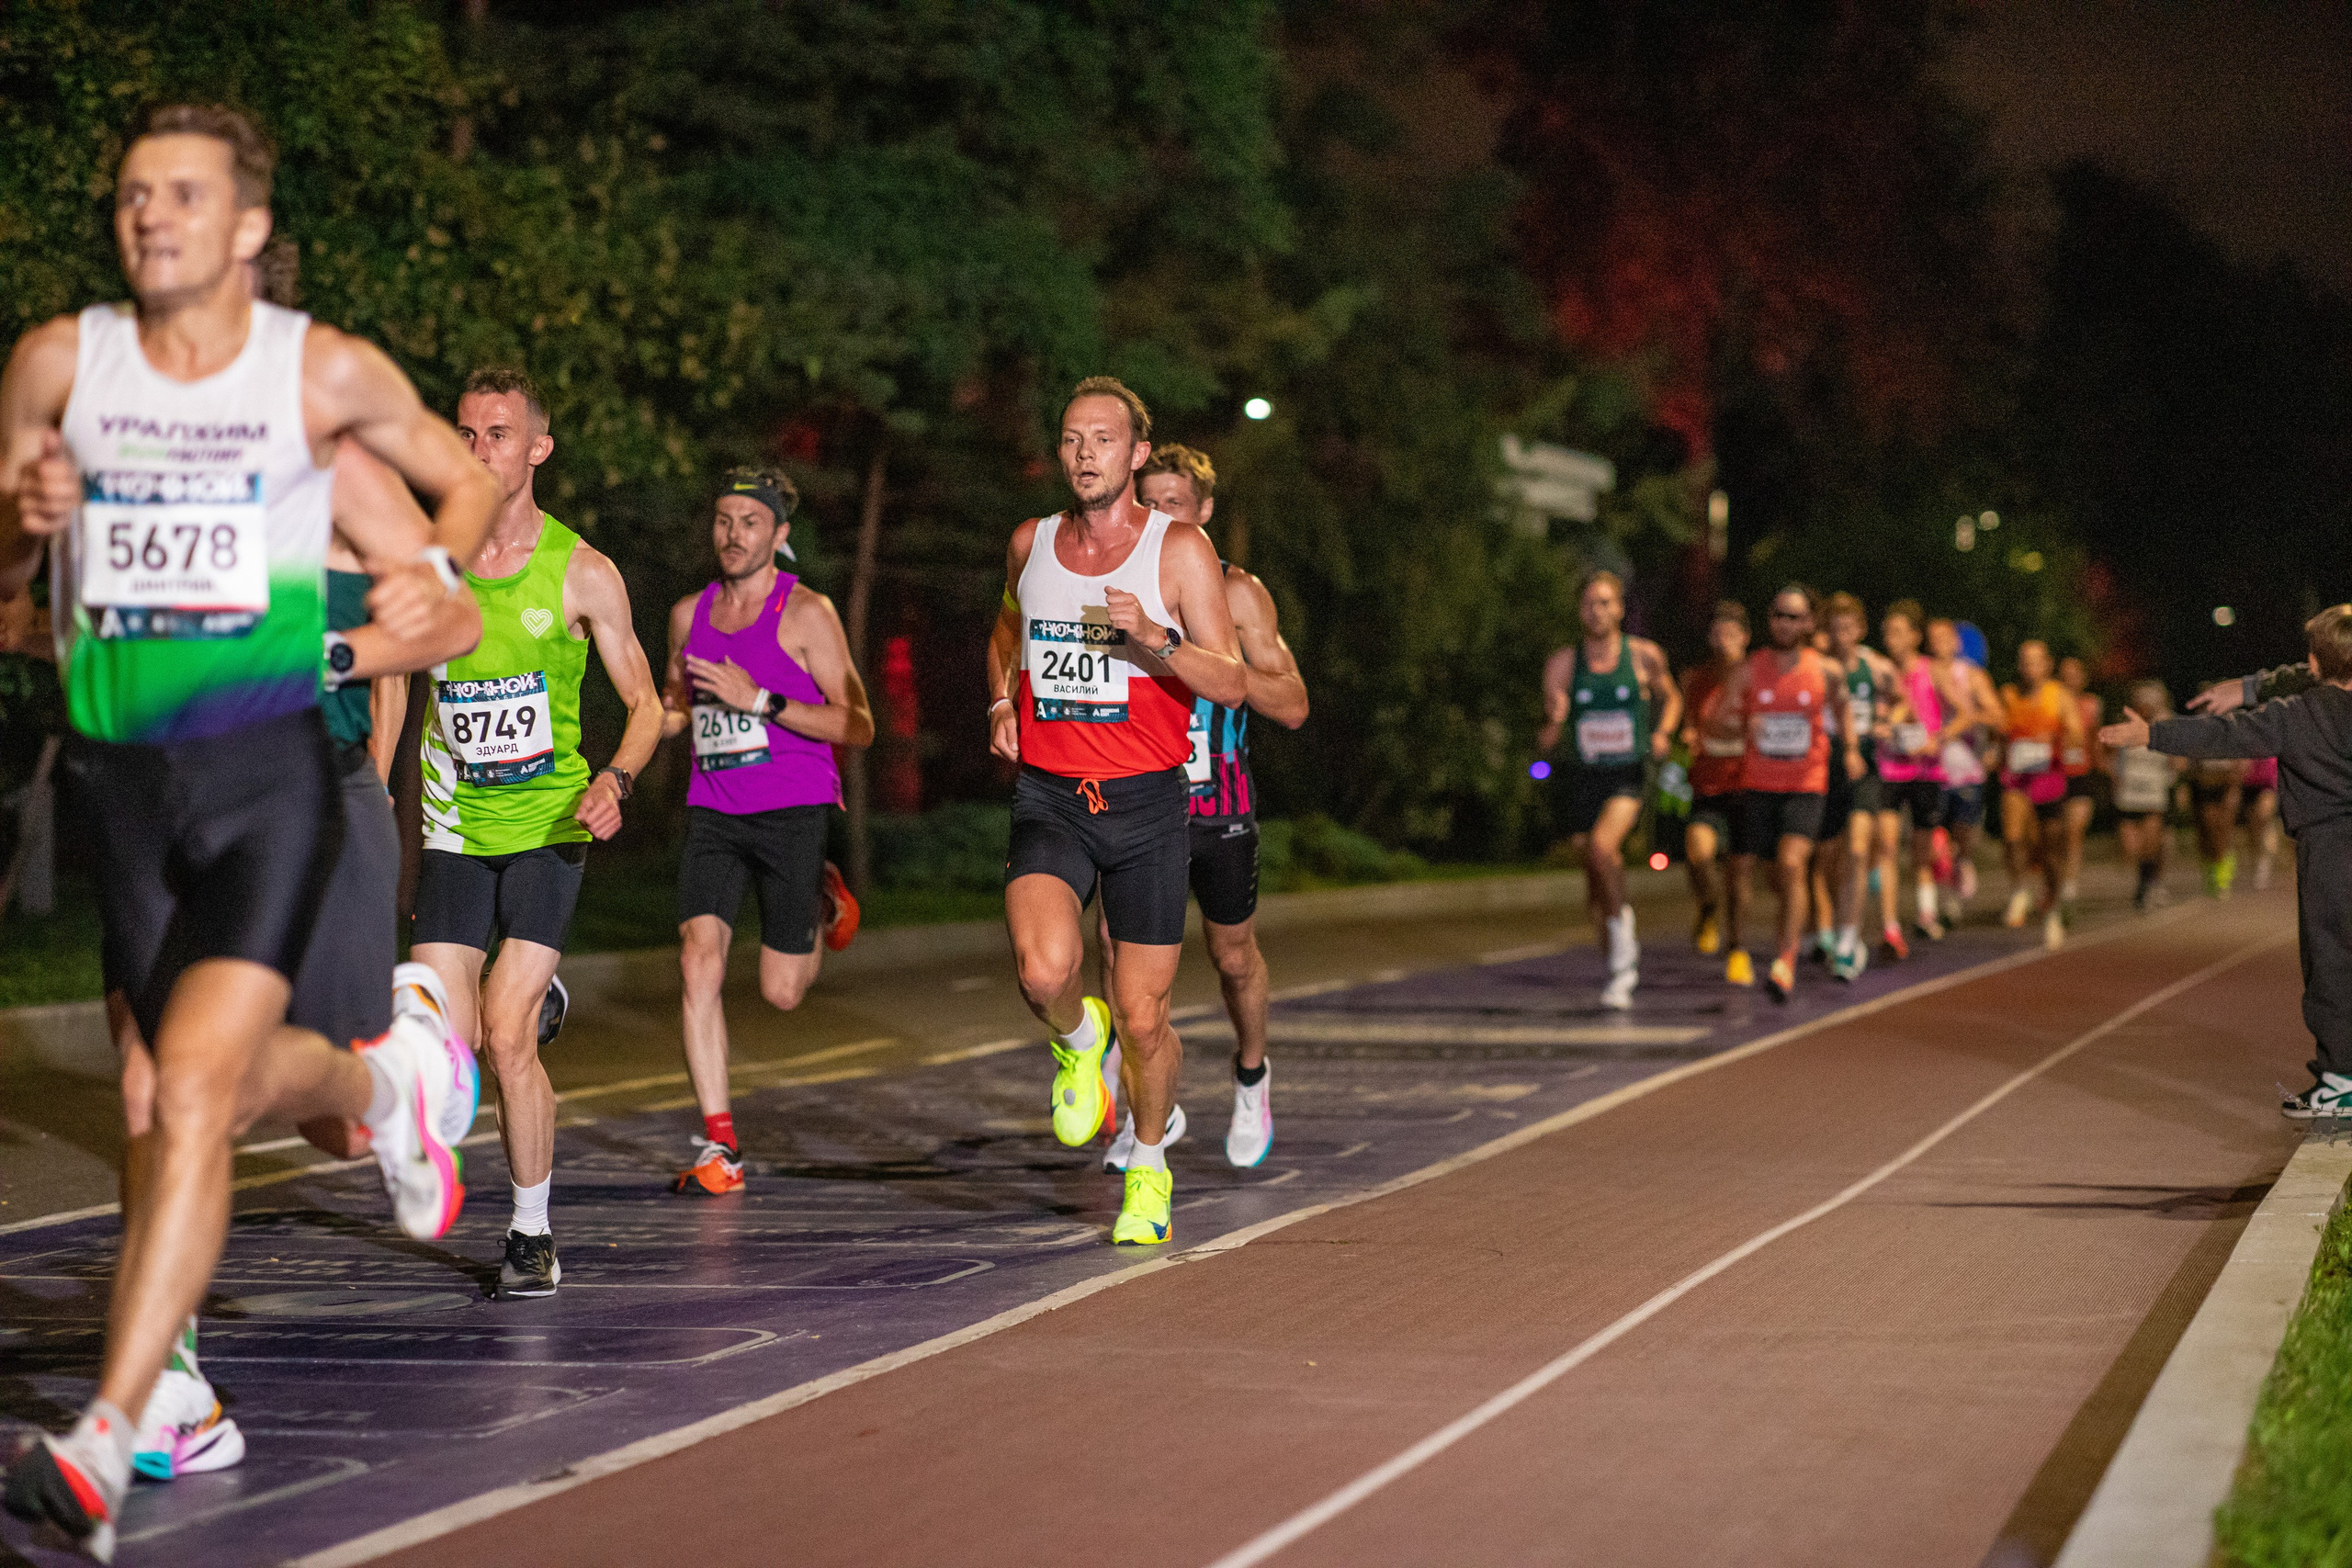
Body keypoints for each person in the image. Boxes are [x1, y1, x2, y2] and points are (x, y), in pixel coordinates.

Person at [0, 105, 494, 1558]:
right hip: (121, 783)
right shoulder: (53, 364)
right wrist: (25, 523)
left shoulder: (313, 381)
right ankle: (394, 1080)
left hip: (273, 776)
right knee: (166, 1096)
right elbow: (1, 579)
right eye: (134, 193)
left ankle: (109, 1423)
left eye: (186, 194)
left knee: (195, 1090)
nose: (151, 215)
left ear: (247, 227)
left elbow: (446, 558)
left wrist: (430, 592)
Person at [409, 367, 664, 1299]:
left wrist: (619, 777)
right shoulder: (430, 564)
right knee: (445, 1038)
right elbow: (401, 677)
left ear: (537, 448)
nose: (480, 451)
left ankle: (530, 1232)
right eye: (467, 434)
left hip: (552, 822)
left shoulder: (583, 571)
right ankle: (533, 992)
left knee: (507, 1036)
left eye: (499, 434)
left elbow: (646, 703)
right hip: (452, 824)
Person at [985, 378, 1245, 1247]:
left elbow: (1233, 678)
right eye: (1070, 438)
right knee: (1044, 972)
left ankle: (1147, 1164)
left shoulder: (1179, 553)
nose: (1085, 452)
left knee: (1146, 1017)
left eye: (1103, 438)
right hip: (1052, 797)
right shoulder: (1033, 542)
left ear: (1137, 453)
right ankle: (1073, 1040)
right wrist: (999, 702)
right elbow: (1007, 631)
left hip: (1146, 804)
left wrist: (1157, 641)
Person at [1095, 444, 1307, 1170]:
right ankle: (1144, 1109)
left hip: (1219, 807)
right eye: (1145, 503)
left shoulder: (1238, 592)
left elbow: (1295, 704)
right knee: (1115, 953)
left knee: (1232, 954)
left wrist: (1204, 662)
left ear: (1204, 512)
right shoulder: (1111, 588)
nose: (1157, 517)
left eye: (1173, 504)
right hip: (1136, 801)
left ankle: (1252, 1077)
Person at [660, 470, 871, 1196]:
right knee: (697, 961)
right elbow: (676, 701)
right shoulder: (689, 615)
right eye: (723, 518)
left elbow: (857, 722)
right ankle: (721, 1144)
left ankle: (815, 895)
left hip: (792, 806)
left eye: (751, 521)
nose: (733, 533)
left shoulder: (806, 613)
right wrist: (654, 721)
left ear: (780, 535)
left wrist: (763, 701)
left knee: (782, 992)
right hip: (715, 808)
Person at [2100, 605, 2352, 1117]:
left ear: (2314, 662)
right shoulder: (2309, 695)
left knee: (2330, 962)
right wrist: (2255, 685)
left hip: (2330, 848)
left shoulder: (2300, 714)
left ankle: (2341, 1080)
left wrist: (2151, 735)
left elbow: (2223, 735)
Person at [1538, 570, 1679, 1009]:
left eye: (1605, 603)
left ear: (1620, 608)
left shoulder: (1643, 656)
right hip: (1584, 776)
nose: (1596, 612)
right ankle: (1619, 919)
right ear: (1579, 610)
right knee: (1596, 864)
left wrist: (1662, 733)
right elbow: (1545, 740)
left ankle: (1623, 959)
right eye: (1588, 604)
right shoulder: (1563, 664)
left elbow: (1671, 697)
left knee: (1601, 849)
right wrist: (1556, 721)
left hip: (1626, 772)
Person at [1717, 585, 1858, 1001]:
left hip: (1806, 783)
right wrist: (1747, 725)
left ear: (1810, 623)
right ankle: (1800, 926)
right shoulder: (1749, 669)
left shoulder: (1826, 671)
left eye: (1795, 617)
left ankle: (1785, 960)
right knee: (1777, 875)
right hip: (1761, 784)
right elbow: (1721, 718)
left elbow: (1844, 708)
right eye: (1780, 614)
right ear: (1770, 619)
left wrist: (1849, 748)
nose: (1786, 623)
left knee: (1793, 863)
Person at [1815, 592, 1900, 980]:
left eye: (1848, 628)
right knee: (1828, 858)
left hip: (1863, 767)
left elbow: (1903, 701)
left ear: (1861, 630)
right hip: (1823, 767)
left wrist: (1887, 720)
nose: (1842, 635)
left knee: (1858, 847)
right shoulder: (1817, 667)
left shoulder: (1876, 667)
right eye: (1835, 629)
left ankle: (1849, 940)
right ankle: (1835, 923)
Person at [1996, 640, 2086, 946]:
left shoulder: (2058, 696)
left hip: (2049, 778)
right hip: (2017, 777)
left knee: (2050, 850)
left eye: (2035, 661)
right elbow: (1998, 730)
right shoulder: (2009, 695)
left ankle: (2054, 905)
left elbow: (2076, 733)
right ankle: (2020, 887)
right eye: (2024, 661)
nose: (2029, 667)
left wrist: (2057, 735)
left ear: (2047, 664)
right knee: (2012, 835)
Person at [1677, 602, 1750, 962]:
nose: (1724, 641)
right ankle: (1707, 906)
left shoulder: (1756, 677)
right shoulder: (1696, 679)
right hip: (1706, 781)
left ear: (1745, 638)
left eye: (1731, 634)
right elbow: (1688, 721)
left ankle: (1737, 946)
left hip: (1745, 784)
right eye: (1718, 633)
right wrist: (1689, 735)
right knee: (1698, 852)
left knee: (1739, 873)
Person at [1926, 617, 1995, 914]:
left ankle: (1962, 864)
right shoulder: (1921, 672)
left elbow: (1999, 718)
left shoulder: (1973, 676)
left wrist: (1968, 718)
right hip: (1929, 767)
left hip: (1966, 767)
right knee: (1933, 836)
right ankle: (1940, 899)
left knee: (1962, 834)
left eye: (1946, 637)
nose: (1940, 643)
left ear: (1956, 642)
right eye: (1934, 638)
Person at [2108, 680, 2180, 910]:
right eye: (2141, 702)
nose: (2145, 706)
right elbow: (2108, 754)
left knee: (2151, 844)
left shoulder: (2166, 727)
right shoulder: (2126, 726)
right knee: (2130, 848)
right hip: (2128, 795)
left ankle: (2150, 883)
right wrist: (2113, 775)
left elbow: (2179, 762)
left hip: (2154, 795)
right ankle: (2145, 879)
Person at [2056, 655, 2102, 905]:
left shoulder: (2091, 704)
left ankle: (2069, 885)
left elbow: (2095, 740)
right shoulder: (2051, 701)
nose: (2070, 678)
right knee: (2054, 834)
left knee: (2074, 831)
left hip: (2081, 775)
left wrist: (2103, 768)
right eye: (2065, 673)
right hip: (2054, 775)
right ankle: (2052, 879)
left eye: (2075, 673)